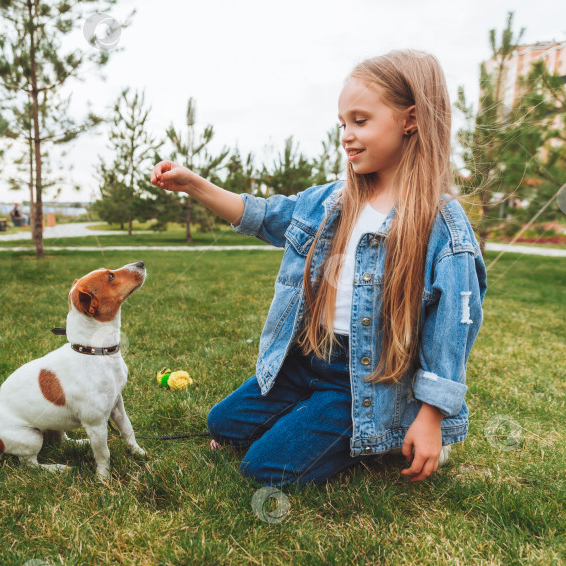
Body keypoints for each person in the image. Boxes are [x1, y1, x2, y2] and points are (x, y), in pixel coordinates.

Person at [150, 49, 487, 487]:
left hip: (364, 381)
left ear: (411, 119)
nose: (346, 135)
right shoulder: (331, 200)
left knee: (264, 469)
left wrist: (431, 417)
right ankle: (311, 414)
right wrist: (193, 184)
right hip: (307, 357)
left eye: (360, 121)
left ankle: (377, 430)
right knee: (222, 425)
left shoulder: (441, 224)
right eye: (342, 124)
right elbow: (264, 215)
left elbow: (453, 330)